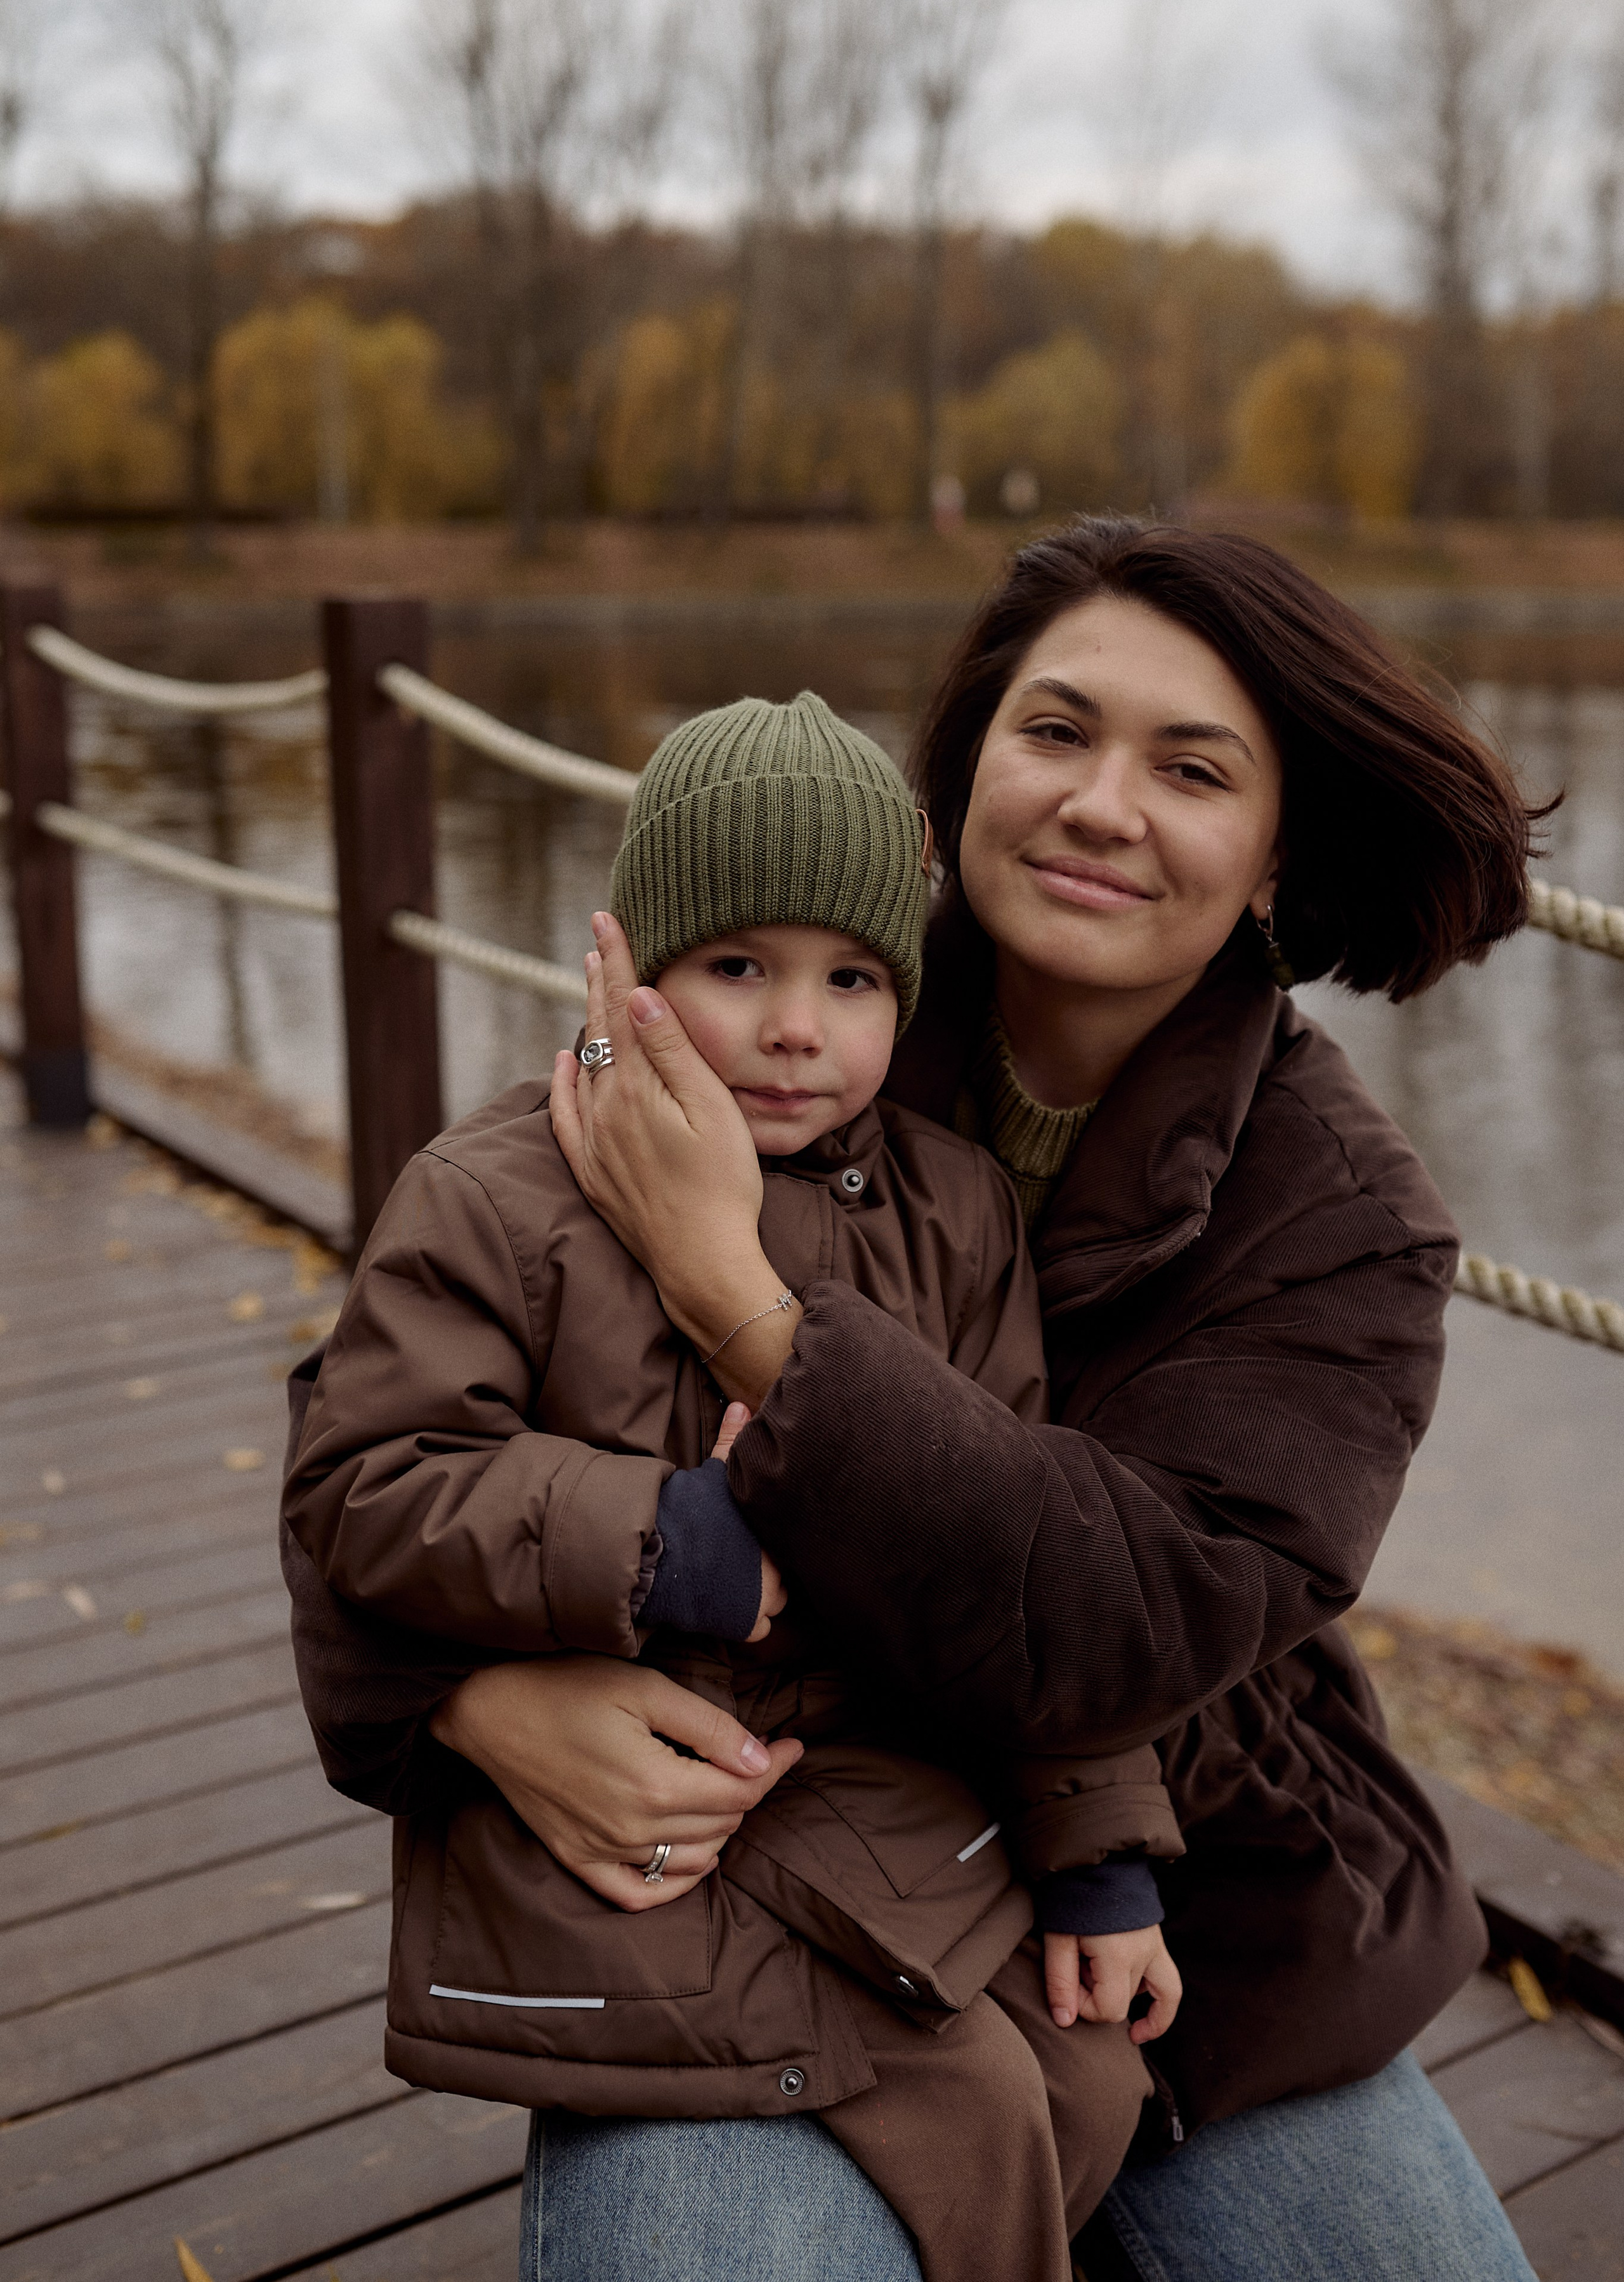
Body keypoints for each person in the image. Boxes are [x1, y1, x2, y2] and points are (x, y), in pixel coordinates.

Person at [283, 520, 1546, 2282]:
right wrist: (471, 1694)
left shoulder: (1342, 1219)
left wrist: (739, 1299)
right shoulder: (792, 980)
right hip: (759, 1873)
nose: (1104, 802)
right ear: (961, 779)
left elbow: (1120, 1609)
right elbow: (373, 1425)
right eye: (1057, 731)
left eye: (1191, 769)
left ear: (1274, 855)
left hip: (1193, 1882)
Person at [283, 690, 1185, 2282]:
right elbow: (364, 1486)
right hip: (633, 1852)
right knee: (951, 2107)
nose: (794, 1028)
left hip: (880, 1792)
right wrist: (661, 1539)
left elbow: (1024, 1547)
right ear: (628, 967)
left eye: (849, 979)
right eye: (736, 968)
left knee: (1079, 2077)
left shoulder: (955, 1211)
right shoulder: (494, 1196)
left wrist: (1098, 1848)